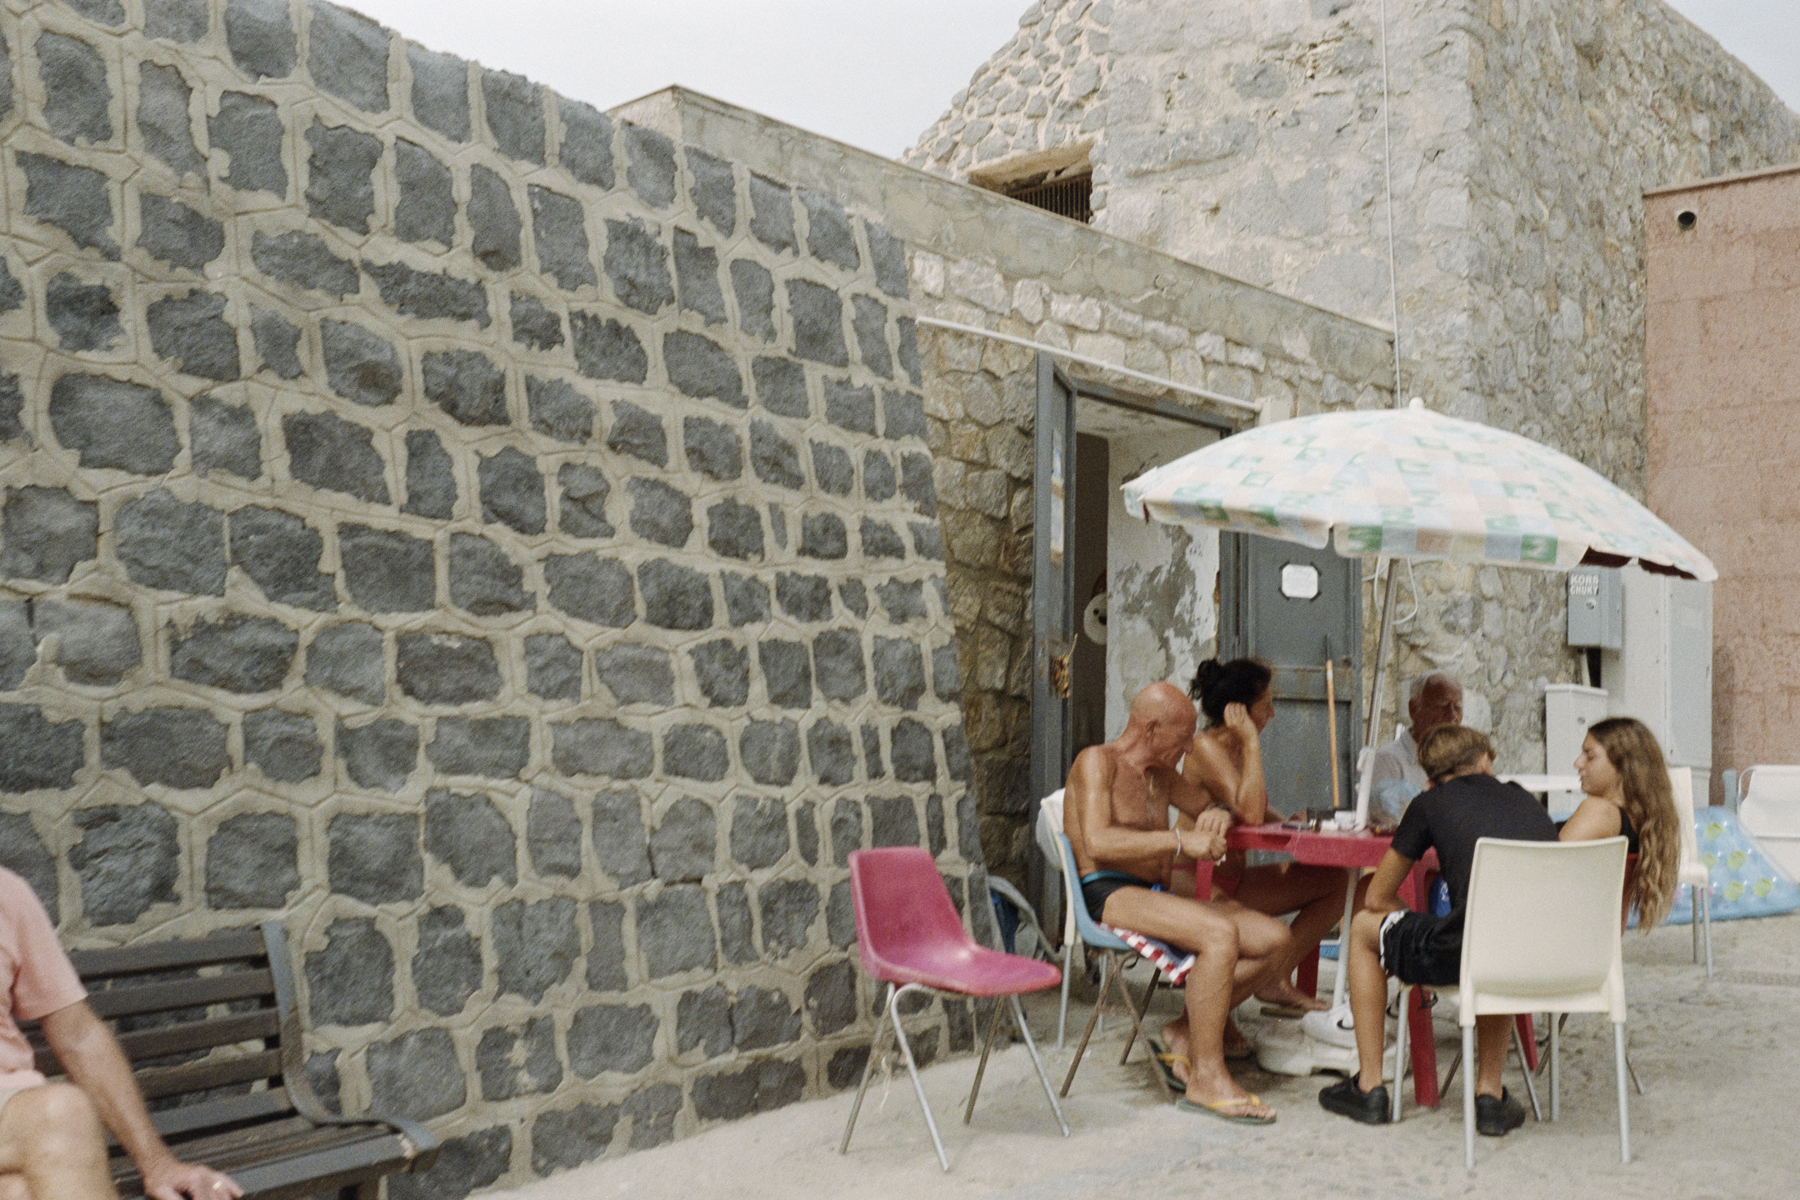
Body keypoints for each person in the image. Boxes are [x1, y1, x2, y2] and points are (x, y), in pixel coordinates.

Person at [1064, 682, 1289, 1124]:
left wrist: (1219, 814)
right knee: (1219, 934)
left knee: (1274, 939)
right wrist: (1181, 840)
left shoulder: (1162, 775)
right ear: (1150, 729)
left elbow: (1212, 806)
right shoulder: (1097, 762)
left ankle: (1186, 1032)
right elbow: (1098, 841)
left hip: (1154, 893)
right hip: (1108, 891)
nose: (1190, 748)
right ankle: (1208, 1077)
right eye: (1183, 738)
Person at [1317, 725, 1556, 1134]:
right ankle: (1489, 1093)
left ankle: (1369, 1085)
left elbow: (1377, 896)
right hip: (1535, 955)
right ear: (1484, 761)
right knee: (1493, 933)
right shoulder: (1522, 798)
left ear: (1429, 777)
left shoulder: (1429, 803)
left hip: (1463, 955)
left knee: (1363, 927)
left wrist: (1417, 926)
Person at [0, 867, 242, 1200]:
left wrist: (158, 1164)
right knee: (60, 1113)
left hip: (16, 1117)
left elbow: (78, 1034)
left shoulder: (7, 893)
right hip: (38, 1124)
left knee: (21, 1193)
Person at [1179, 658, 1364, 1015]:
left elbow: (1255, 811)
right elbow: (1249, 812)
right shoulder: (1206, 747)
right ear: (1240, 711)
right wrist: (1251, 741)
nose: (1273, 714)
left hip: (1232, 879)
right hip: (1196, 882)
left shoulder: (1235, 749)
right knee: (1269, 934)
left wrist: (1293, 826)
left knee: (1337, 880)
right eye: (1266, 706)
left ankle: (1275, 978)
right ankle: (1204, 1015)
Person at [1562, 716, 1681, 930]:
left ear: (1622, 766)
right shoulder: (1640, 821)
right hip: (1599, 935)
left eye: (1590, 756)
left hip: (1562, 932)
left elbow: (1546, 870)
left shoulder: (1599, 812)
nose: (1577, 763)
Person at [1369, 672, 1464, 825]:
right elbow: (1387, 825)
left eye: (1457, 707)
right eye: (1441, 706)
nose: (1452, 715)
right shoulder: (1388, 760)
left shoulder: (1462, 761)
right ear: (1413, 709)